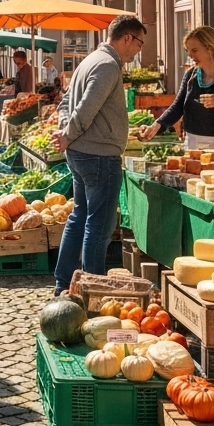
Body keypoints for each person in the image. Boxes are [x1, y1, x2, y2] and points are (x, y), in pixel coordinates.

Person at [51, 15, 147, 289]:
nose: (138, 50)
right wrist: (66, 134)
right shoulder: (107, 65)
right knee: (100, 225)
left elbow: (67, 102)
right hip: (98, 155)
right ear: (127, 38)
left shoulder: (90, 60)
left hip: (83, 152)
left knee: (80, 215)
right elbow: (85, 108)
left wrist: (64, 132)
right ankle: (91, 290)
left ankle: (63, 283)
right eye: (139, 43)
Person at [137, 26, 214, 153]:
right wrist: (157, 125)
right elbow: (177, 107)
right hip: (192, 144)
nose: (190, 55)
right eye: (188, 50)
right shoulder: (190, 75)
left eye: (195, 50)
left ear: (210, 48)